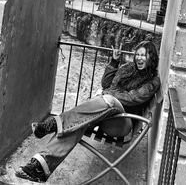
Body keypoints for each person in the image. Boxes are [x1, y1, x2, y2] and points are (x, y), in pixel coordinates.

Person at [15, 40, 160, 183]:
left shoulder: (153, 81)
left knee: (108, 100)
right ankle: (39, 167)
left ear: (151, 58)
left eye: (144, 55)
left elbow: (132, 98)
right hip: (106, 115)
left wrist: (107, 94)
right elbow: (106, 84)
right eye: (138, 55)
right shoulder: (128, 68)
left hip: (123, 122)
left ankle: (53, 123)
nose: (139, 58)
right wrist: (114, 63)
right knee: (78, 124)